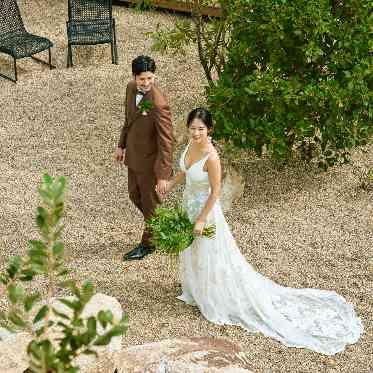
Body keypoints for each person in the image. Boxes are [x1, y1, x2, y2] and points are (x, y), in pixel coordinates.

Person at [160, 107, 363, 355]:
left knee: (209, 252)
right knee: (191, 250)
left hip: (205, 211)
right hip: (188, 205)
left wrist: (202, 218)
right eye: (192, 128)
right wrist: (171, 184)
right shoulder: (190, 146)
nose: (195, 133)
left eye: (200, 129)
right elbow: (184, 171)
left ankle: (212, 297)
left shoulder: (212, 157)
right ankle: (195, 290)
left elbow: (215, 192)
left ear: (209, 129)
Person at [116, 55, 173, 261]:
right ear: (134, 77)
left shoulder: (158, 104)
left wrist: (163, 175)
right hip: (133, 156)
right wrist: (121, 145)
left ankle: (148, 244)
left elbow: (167, 141)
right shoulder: (131, 88)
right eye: (142, 79)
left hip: (151, 164)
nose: (146, 83)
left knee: (151, 205)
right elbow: (128, 119)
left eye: (150, 78)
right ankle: (158, 225)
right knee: (134, 196)